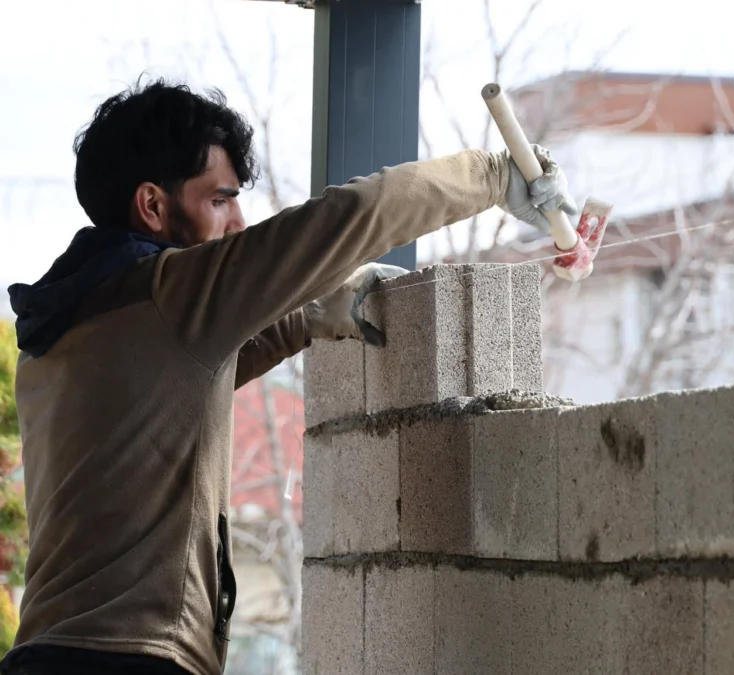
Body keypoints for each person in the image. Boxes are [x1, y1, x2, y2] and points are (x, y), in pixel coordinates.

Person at [0, 78, 577, 675]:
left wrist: (315, 313)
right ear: (153, 205)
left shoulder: (66, 324)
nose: (238, 222)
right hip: (133, 661)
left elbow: (196, 370)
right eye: (219, 200)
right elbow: (352, 216)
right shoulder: (172, 292)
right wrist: (493, 176)